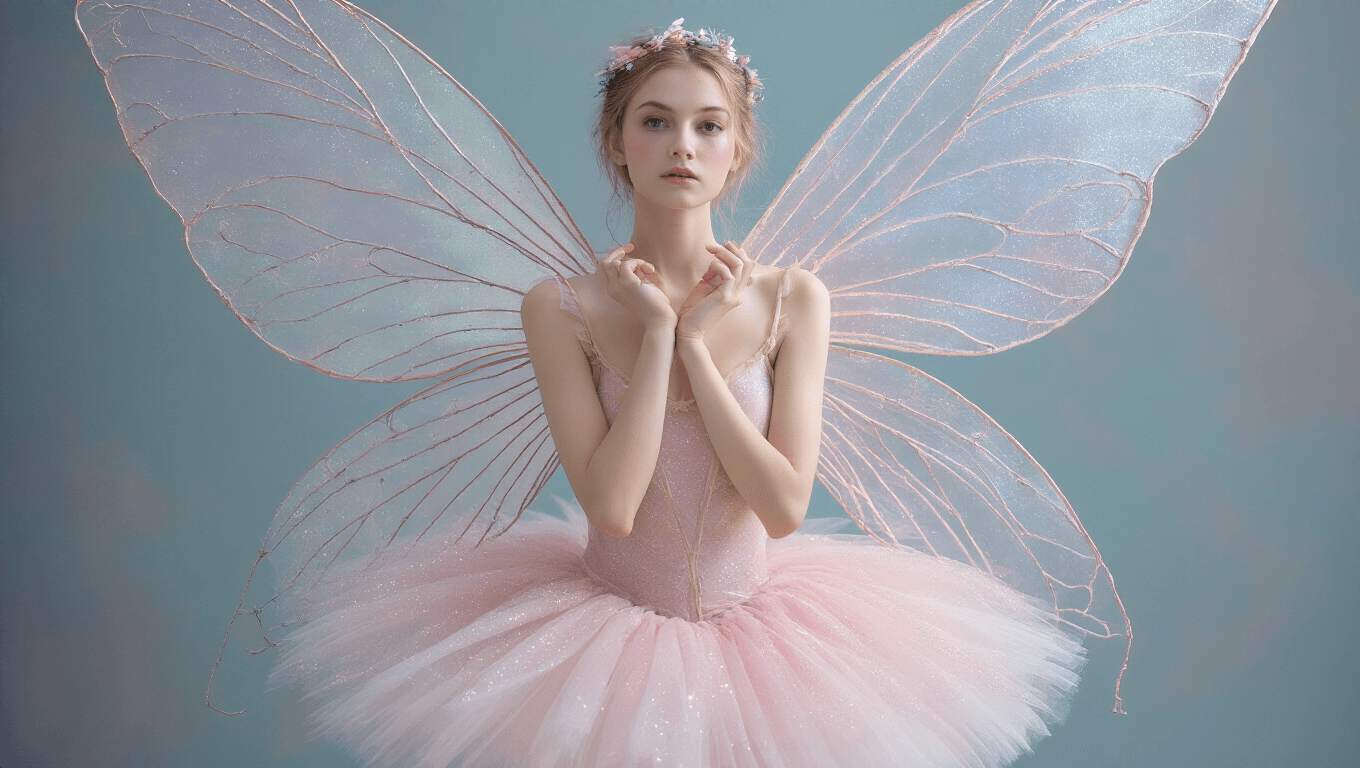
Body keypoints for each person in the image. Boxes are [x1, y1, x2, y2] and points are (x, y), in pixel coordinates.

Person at [267, 22, 1086, 768]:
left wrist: (699, 345)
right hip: (602, 642)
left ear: (737, 147)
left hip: (776, 643)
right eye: (655, 121)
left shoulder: (794, 299)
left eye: (708, 125)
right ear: (617, 144)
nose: (682, 146)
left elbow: (783, 505)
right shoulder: (561, 309)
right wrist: (658, 337)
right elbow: (614, 506)